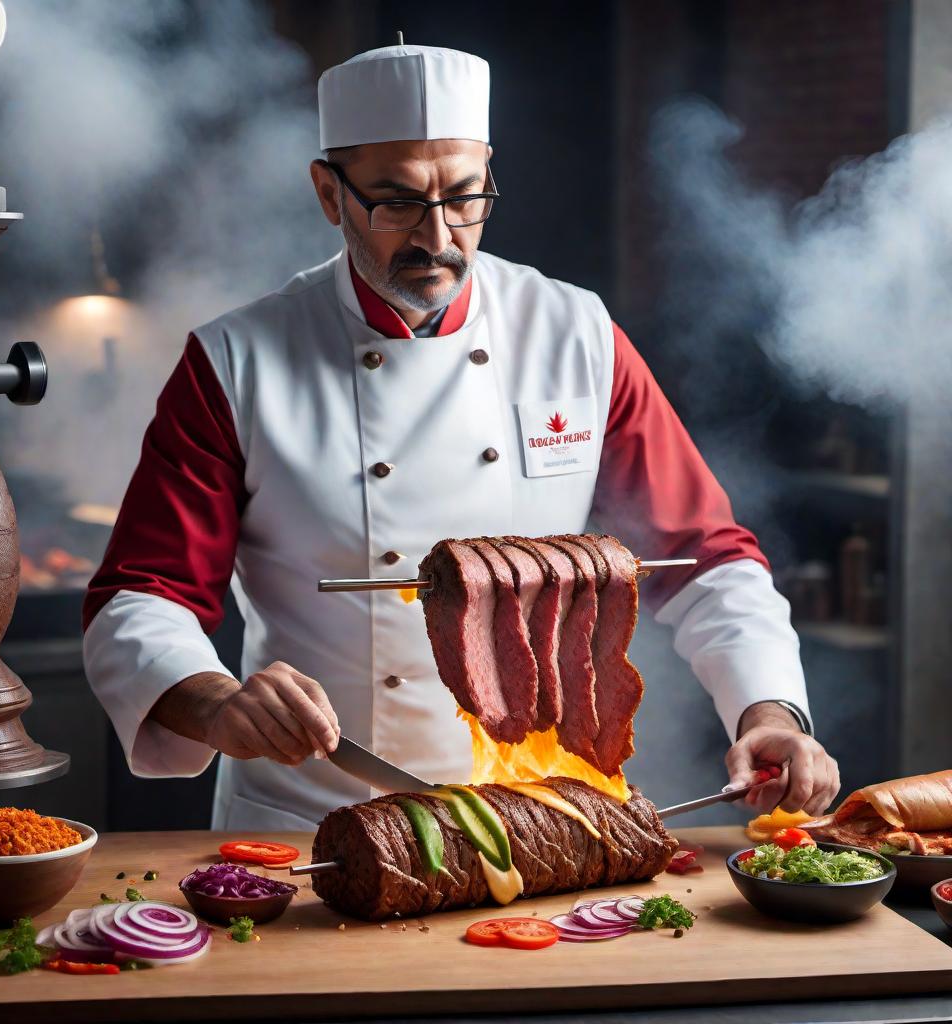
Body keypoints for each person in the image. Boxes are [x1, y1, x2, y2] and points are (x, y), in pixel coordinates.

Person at [83, 43, 840, 831]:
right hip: (311, 816)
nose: (437, 237)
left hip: (539, 818)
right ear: (327, 193)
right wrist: (217, 702)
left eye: (466, 198)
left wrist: (770, 707)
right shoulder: (235, 362)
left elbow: (703, 556)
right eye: (398, 201)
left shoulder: (575, 334)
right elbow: (145, 592)